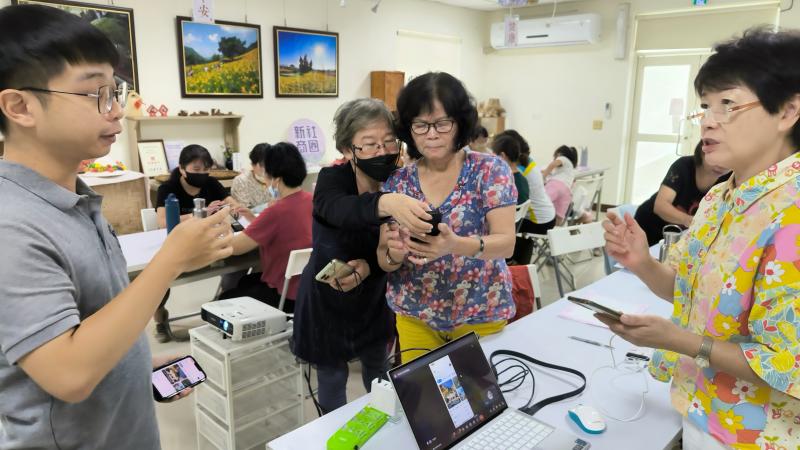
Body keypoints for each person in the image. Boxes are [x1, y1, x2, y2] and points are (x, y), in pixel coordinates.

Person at [0, 5, 233, 448]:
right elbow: (67, 374)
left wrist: (136, 362)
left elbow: (92, 322)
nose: (117, 111)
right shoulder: (9, 224)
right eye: (97, 94)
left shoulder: (77, 198)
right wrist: (171, 261)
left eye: (117, 91)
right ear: (20, 106)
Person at [601, 28, 800, 450]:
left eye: (728, 104)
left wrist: (678, 341)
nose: (708, 119)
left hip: (758, 436)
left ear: (787, 112)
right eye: (705, 106)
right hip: (698, 410)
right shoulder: (720, 197)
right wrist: (641, 262)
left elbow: (788, 364)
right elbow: (692, 294)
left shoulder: (792, 214)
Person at [292, 98, 432, 414]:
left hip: (372, 300)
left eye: (388, 142)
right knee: (331, 378)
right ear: (346, 150)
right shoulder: (332, 180)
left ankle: (384, 426)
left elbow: (396, 250)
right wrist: (387, 204)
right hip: (327, 300)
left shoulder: (399, 181)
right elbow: (337, 210)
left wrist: (370, 266)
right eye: (369, 144)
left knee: (378, 371)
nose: (382, 152)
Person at [379, 72, 517, 363]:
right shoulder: (397, 182)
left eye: (442, 123)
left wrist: (454, 245)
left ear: (459, 122)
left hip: (480, 308)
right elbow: (385, 256)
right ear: (409, 129)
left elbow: (506, 244)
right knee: (425, 402)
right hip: (415, 312)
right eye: (421, 125)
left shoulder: (489, 171)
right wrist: (394, 252)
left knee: (481, 402)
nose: (431, 134)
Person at [221, 143, 312, 313]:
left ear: (276, 180)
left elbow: (236, 247)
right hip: (310, 289)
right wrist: (251, 217)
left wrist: (223, 227)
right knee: (245, 282)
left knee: (225, 299)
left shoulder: (276, 211)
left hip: (285, 296)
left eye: (267, 177)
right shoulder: (313, 200)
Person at [634, 141, 731, 246]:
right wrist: (691, 221)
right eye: (715, 157)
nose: (721, 165)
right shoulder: (683, 165)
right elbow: (660, 206)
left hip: (682, 236)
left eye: (728, 159)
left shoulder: (730, 178)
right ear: (702, 152)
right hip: (650, 225)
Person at [496, 130, 556, 264]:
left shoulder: (517, 173)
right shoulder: (528, 161)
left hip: (540, 222)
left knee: (496, 226)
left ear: (503, 155)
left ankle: (508, 260)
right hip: (549, 215)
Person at [155, 144, 239, 228]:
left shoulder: (212, 183)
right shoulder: (167, 189)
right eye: (196, 169)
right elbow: (163, 223)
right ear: (182, 169)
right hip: (180, 236)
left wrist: (225, 209)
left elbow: (235, 208)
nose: (202, 173)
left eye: (206, 169)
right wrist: (201, 214)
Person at [542, 145, 578, 225]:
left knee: (542, 203)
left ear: (559, 153)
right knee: (559, 216)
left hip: (555, 185)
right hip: (566, 192)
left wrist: (543, 176)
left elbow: (553, 164)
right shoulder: (570, 167)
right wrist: (545, 171)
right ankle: (555, 231)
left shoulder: (563, 158)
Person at [490, 133, 529, 205]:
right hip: (517, 215)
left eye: (494, 156)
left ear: (502, 156)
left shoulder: (506, 182)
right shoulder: (522, 178)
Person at [230, 143, 271, 212]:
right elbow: (244, 212)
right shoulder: (241, 181)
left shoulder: (276, 179)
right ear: (253, 164)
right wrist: (269, 205)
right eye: (262, 164)